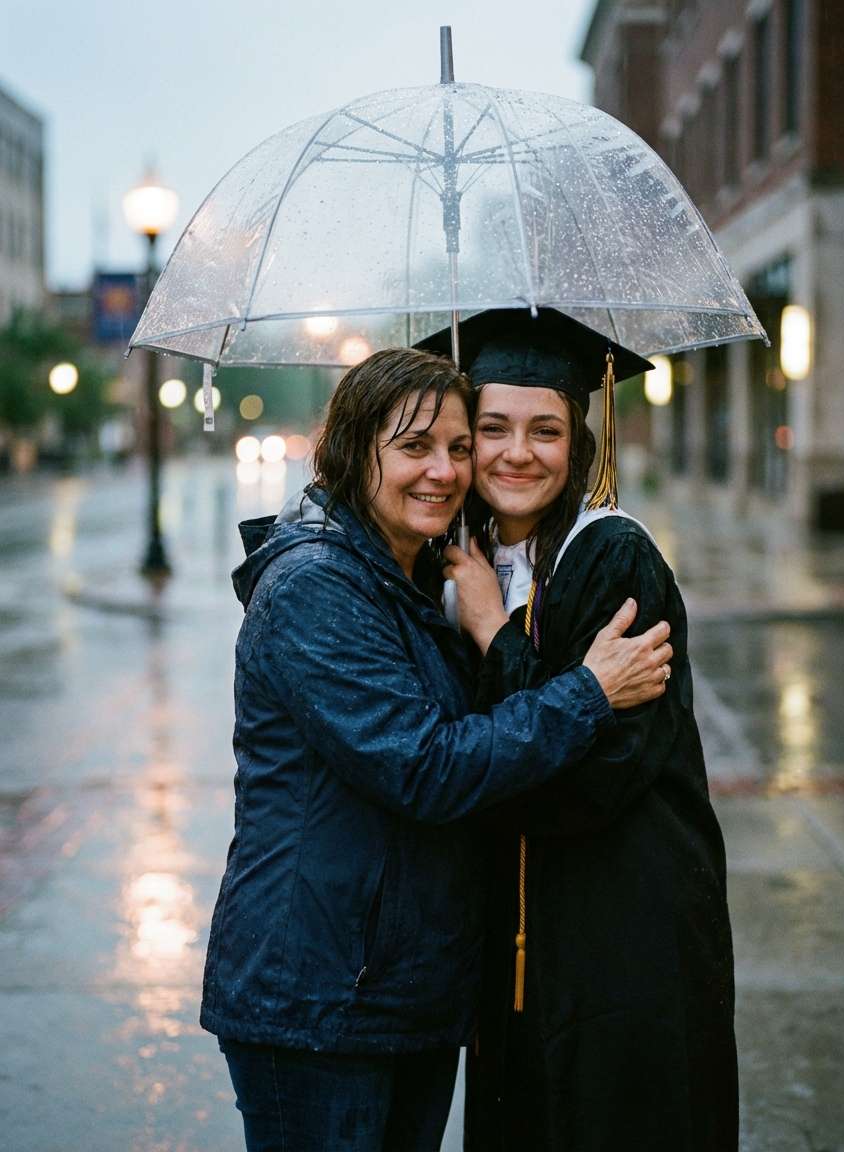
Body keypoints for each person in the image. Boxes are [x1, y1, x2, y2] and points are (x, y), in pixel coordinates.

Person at [200, 347, 673, 1152]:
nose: (445, 472)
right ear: (354, 450)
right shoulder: (316, 586)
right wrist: (588, 691)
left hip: (403, 994)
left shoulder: (412, 577)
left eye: (458, 447)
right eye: (415, 447)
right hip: (319, 1000)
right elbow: (427, 767)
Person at [434, 310, 738, 1152]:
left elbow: (587, 779)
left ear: (580, 443)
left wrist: (495, 634)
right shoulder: (463, 560)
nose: (517, 453)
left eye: (546, 430)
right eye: (493, 428)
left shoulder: (611, 558)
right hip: (519, 931)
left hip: (625, 927)